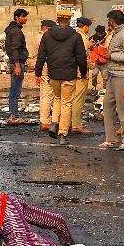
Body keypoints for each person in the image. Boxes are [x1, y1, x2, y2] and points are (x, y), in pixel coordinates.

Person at [34, 10, 87, 146]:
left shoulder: (47, 36)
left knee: (57, 99)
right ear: (69, 21)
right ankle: (63, 133)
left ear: (57, 20)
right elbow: (81, 57)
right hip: (69, 74)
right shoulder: (76, 36)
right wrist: (83, 72)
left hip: (53, 73)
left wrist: (38, 73)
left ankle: (54, 123)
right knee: (67, 103)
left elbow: (41, 56)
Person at [100, 10, 124, 150]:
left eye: (109, 20)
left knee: (123, 110)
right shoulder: (116, 33)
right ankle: (111, 139)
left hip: (123, 75)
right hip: (112, 74)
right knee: (108, 106)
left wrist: (111, 56)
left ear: (112, 21)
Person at [4, 8, 30, 124]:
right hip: (16, 63)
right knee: (15, 91)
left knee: (14, 90)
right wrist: (18, 65)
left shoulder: (12, 30)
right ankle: (14, 116)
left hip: (14, 62)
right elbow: (15, 49)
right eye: (23, 16)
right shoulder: (16, 32)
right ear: (17, 17)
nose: (25, 18)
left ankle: (12, 114)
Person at [69, 17, 94, 134]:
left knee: (71, 98)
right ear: (85, 26)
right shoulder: (82, 38)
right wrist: (89, 67)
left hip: (72, 71)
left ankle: (69, 122)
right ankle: (76, 124)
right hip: (81, 72)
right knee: (78, 99)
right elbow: (82, 58)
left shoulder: (72, 34)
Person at [36, 20, 57, 131]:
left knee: (45, 96)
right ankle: (45, 121)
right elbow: (43, 56)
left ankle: (44, 120)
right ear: (47, 28)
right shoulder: (44, 38)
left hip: (42, 70)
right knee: (48, 96)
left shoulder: (37, 36)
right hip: (46, 70)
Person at [89, 25, 109, 92]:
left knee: (105, 77)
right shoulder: (93, 38)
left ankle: (105, 89)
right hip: (96, 61)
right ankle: (93, 87)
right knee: (94, 75)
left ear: (104, 32)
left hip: (104, 62)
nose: (99, 35)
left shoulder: (108, 38)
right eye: (98, 33)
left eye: (101, 33)